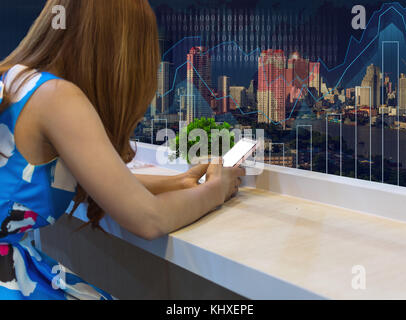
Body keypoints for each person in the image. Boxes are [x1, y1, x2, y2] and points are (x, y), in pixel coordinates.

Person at [0, 0, 244, 300]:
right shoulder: (56, 96)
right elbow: (148, 219)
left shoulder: (16, 80)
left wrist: (177, 182)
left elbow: (100, 183)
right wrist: (219, 188)